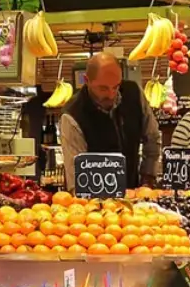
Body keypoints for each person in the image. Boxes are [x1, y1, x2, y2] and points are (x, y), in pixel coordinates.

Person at [58, 51, 162, 189]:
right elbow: (76, 178)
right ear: (86, 80)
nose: (111, 94)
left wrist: (147, 178)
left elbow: (153, 137)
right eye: (103, 88)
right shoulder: (72, 116)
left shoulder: (133, 93)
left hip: (134, 195)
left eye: (116, 86)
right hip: (95, 202)